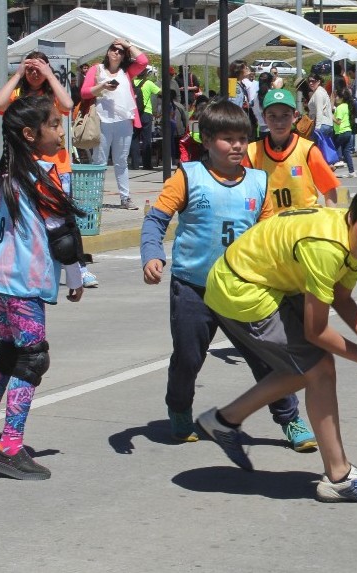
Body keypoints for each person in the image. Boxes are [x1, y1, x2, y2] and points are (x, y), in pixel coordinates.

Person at [195, 181, 357, 502]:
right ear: (355, 215)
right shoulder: (328, 247)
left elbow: (341, 297)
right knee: (319, 368)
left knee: (307, 369)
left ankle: (223, 422)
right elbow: (317, 331)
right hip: (241, 286)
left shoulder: (352, 237)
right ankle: (339, 478)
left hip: (270, 280)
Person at [140, 100, 315, 449]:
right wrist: (152, 254)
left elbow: (269, 238)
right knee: (188, 357)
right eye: (227, 139)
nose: (236, 145)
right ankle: (179, 409)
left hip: (241, 290)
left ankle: (290, 420)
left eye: (241, 138)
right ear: (206, 141)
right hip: (194, 286)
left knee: (266, 357)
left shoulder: (258, 182)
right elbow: (156, 219)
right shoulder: (188, 176)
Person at [0, 96, 87, 480]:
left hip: (2, 278)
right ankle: (10, 447)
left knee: (10, 352)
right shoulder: (38, 179)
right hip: (23, 282)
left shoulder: (6, 173)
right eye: (53, 125)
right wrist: (76, 277)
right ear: (30, 134)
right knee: (33, 359)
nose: (59, 130)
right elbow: (62, 239)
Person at [0, 51, 97, 288]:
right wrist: (18, 72)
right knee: (23, 217)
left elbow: (69, 105)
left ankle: (79, 267)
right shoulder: (18, 96)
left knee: (63, 219)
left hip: (56, 166)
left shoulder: (52, 97)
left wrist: (50, 74)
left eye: (38, 68)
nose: (34, 73)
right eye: (30, 68)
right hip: (25, 166)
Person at [243, 89, 338, 213]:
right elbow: (245, 193)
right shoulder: (252, 152)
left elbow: (329, 188)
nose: (279, 122)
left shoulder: (307, 149)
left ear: (295, 116)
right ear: (264, 118)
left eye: (285, 115)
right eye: (272, 116)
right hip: (270, 227)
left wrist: (331, 220)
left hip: (303, 224)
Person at [80, 38, 149, 209]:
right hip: (102, 121)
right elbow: (84, 92)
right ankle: (94, 198)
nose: (116, 52)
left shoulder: (126, 71)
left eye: (120, 51)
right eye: (113, 49)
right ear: (108, 51)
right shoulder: (97, 69)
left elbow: (143, 61)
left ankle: (125, 198)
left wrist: (128, 45)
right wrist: (102, 86)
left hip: (124, 121)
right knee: (99, 161)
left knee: (121, 161)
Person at [130, 68, 160, 170]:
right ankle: (147, 164)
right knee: (146, 139)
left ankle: (134, 164)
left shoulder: (132, 82)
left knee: (134, 138)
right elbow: (160, 92)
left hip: (134, 113)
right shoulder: (148, 83)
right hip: (146, 113)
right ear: (146, 74)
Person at [307, 73, 334, 150]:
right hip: (328, 124)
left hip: (321, 125)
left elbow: (319, 111)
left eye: (313, 81)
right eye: (309, 81)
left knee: (318, 150)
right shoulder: (323, 91)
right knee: (326, 151)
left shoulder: (318, 93)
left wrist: (317, 128)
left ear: (318, 82)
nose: (311, 83)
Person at [333, 88, 356, 179]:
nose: (336, 98)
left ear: (342, 98)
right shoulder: (346, 106)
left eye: (337, 96)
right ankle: (352, 171)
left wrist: (331, 117)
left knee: (335, 145)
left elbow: (338, 121)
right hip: (348, 131)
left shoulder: (339, 108)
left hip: (341, 131)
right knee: (347, 152)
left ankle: (339, 160)